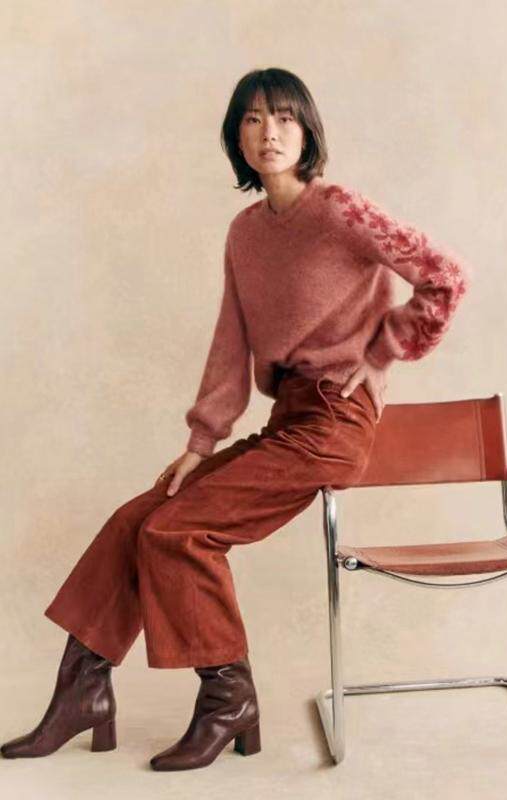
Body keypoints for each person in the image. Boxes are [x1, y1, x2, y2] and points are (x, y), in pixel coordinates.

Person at [1, 67, 470, 771]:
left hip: (334, 423)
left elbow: (445, 275)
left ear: (307, 131)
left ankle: (229, 698)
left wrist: (383, 350)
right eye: (252, 119)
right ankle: (82, 694)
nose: (268, 132)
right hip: (288, 420)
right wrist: (200, 442)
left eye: (284, 117)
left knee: (178, 532)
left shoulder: (341, 209)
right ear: (237, 138)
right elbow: (231, 341)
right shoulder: (245, 234)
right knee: (140, 516)